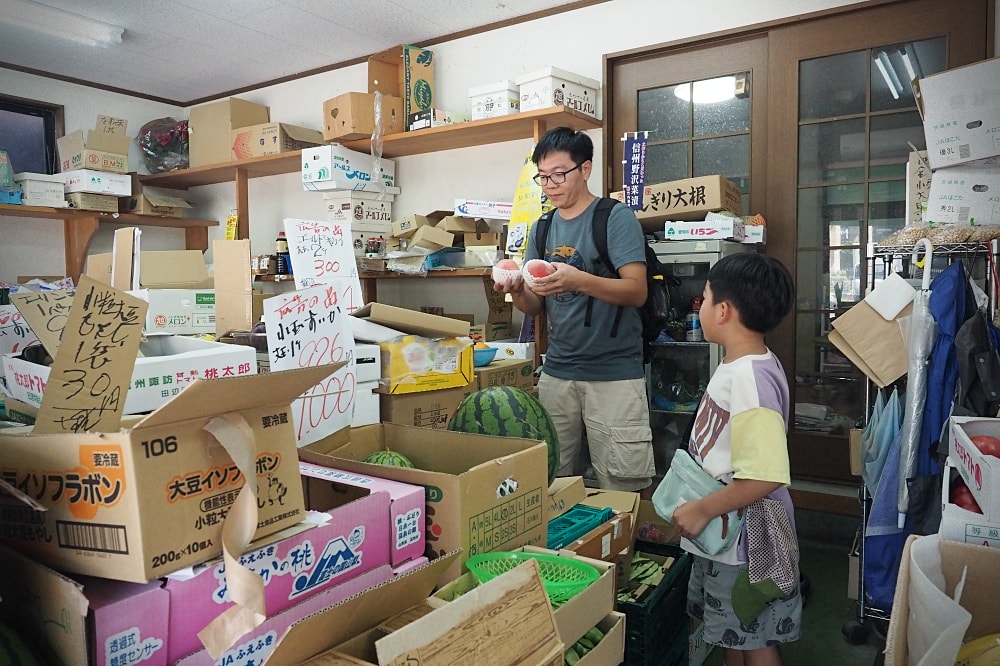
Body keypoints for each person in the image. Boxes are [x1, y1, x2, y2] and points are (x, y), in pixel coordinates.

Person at [493, 125, 655, 492]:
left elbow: (636, 291)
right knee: (553, 480)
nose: (550, 184)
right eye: (543, 177)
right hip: (558, 371)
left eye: (559, 174)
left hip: (614, 372)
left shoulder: (615, 217)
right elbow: (534, 306)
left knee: (620, 483)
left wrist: (577, 279)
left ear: (585, 168)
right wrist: (516, 289)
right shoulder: (542, 227)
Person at [668, 252, 800, 666]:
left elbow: (765, 476)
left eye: (704, 299)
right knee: (733, 632)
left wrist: (703, 510)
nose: (701, 308)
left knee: (755, 635)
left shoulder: (749, 379)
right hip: (726, 534)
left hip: (745, 541)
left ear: (722, 311)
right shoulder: (745, 363)